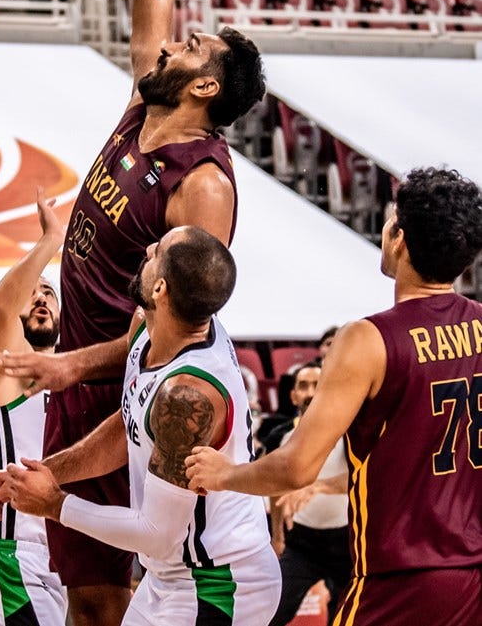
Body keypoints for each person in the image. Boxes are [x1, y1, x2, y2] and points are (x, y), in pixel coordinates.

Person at [0, 0, 266, 626]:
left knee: (107, 598)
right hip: (74, 366)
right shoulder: (148, 101)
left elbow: (175, 323)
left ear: (207, 84)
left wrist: (78, 364)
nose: (172, 39)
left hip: (122, 390)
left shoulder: (202, 182)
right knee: (85, 591)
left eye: (190, 44)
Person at [186, 167, 482, 626]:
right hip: (472, 579)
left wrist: (226, 474)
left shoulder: (368, 338)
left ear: (399, 238)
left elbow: (297, 466)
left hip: (400, 579)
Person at [0, 226, 282, 626]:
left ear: (160, 289)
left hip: (219, 582)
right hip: (170, 575)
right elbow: (128, 427)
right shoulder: (149, 327)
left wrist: (54, 504)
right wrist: (38, 474)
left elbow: (157, 532)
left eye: (159, 250)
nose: (149, 246)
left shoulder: (187, 396)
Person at [0, 192, 67, 626]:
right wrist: (49, 242)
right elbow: (1, 308)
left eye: (50, 295)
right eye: (34, 293)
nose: (41, 299)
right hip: (9, 561)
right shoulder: (7, 370)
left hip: (57, 564)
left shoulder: (71, 384)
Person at [267, 365, 351, 626]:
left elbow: (357, 478)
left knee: (347, 617)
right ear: (292, 395)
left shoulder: (348, 433)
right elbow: (274, 488)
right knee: (272, 612)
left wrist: (317, 487)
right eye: (303, 385)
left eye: (317, 384)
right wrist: (277, 535)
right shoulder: (280, 437)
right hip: (301, 543)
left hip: (346, 541)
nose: (310, 392)